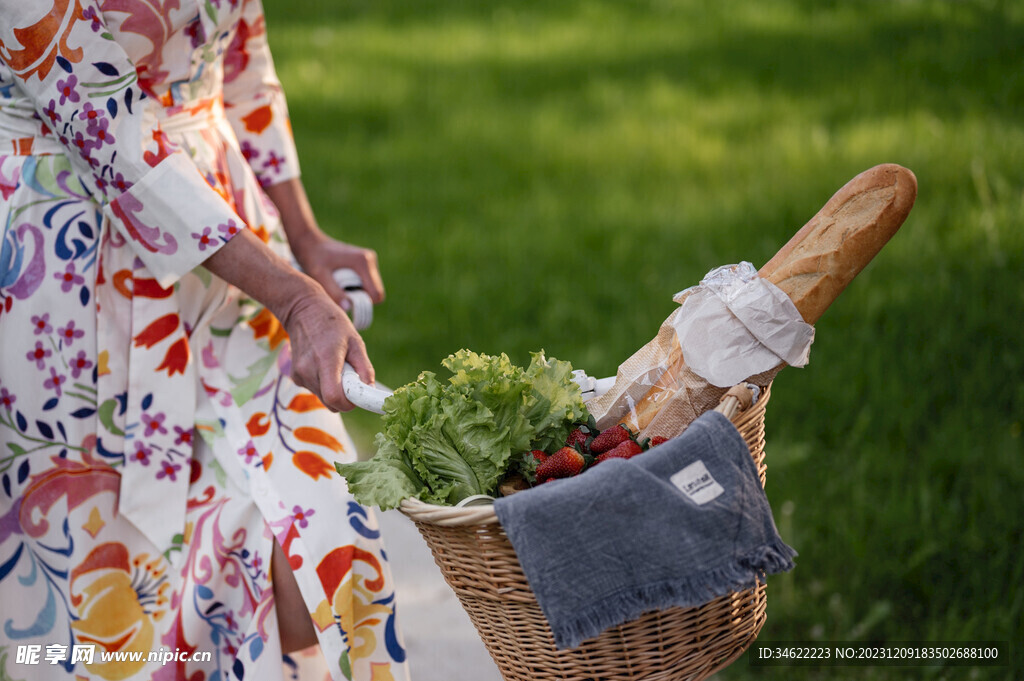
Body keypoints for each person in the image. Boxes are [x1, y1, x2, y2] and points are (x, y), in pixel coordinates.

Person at [0, 1, 409, 679]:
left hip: (238, 262)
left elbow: (242, 63)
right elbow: (115, 141)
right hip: (67, 281)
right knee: (111, 602)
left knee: (327, 525)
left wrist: (304, 238)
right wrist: (296, 295)